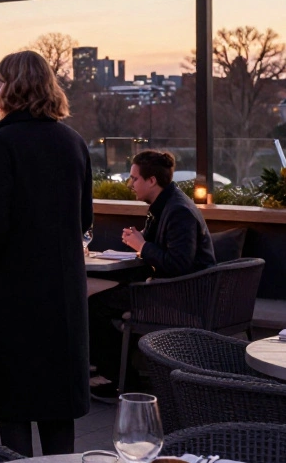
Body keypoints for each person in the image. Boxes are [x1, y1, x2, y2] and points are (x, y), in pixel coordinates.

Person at [0, 50, 92, 457]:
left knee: (12, 409)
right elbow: (83, 216)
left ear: (13, 88)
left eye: (0, 82)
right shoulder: (73, 142)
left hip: (11, 296)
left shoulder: (2, 143)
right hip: (62, 296)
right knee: (58, 412)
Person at [87, 149, 217, 398]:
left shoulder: (178, 211)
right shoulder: (165, 204)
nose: (130, 184)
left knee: (96, 307)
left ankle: (118, 378)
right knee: (97, 297)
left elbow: (179, 264)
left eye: (134, 178)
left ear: (152, 180)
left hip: (181, 294)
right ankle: (121, 374)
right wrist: (140, 244)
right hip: (169, 287)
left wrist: (142, 246)